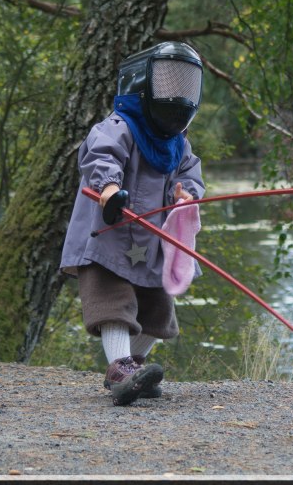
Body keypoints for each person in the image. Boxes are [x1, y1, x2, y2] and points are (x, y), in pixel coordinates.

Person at [60, 41, 206, 406]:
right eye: (168, 83)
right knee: (114, 301)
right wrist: (109, 188)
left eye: (184, 85)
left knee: (158, 310)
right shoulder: (118, 127)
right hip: (109, 238)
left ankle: (132, 369)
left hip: (152, 242)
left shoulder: (178, 144)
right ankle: (120, 371)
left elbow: (190, 176)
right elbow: (101, 156)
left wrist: (186, 196)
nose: (177, 96)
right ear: (142, 84)